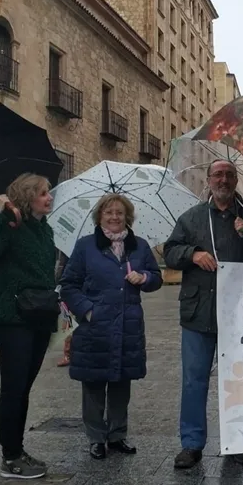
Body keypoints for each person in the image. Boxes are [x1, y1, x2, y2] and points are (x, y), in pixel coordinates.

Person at [164, 159, 243, 469]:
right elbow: (170, 252)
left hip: (239, 315)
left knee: (238, 380)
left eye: (229, 175)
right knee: (194, 380)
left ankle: (238, 441)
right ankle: (191, 443)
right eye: (218, 175)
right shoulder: (191, 218)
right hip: (198, 312)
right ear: (209, 180)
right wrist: (192, 254)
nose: (223, 180)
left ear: (236, 180)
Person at [60, 193, 163, 460]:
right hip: (94, 328)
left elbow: (157, 278)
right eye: (109, 212)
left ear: (127, 217)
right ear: (100, 217)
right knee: (94, 384)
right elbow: (68, 285)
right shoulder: (85, 246)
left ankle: (117, 435)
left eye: (119, 212)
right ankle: (96, 437)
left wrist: (144, 277)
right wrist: (88, 310)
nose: (114, 217)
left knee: (120, 382)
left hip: (128, 326)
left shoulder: (139, 246)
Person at [0, 173, 58, 480]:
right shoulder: (9, 224)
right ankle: (10, 457)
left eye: (48, 192)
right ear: (27, 196)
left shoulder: (44, 230)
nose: (49, 197)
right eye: (43, 193)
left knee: (24, 388)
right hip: (14, 317)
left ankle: (17, 450)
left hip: (40, 316)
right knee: (13, 388)